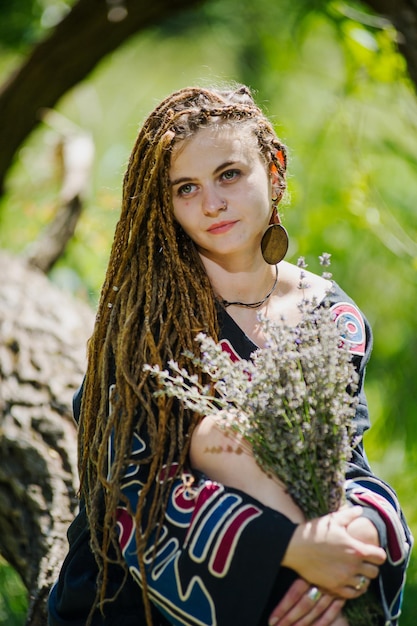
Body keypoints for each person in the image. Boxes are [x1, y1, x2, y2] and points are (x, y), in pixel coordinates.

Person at [47, 84, 412, 626]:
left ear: (274, 166)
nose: (212, 203)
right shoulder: (148, 318)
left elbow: (344, 462)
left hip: (309, 573)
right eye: (186, 188)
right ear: (163, 203)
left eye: (229, 174)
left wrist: (356, 535)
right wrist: (288, 548)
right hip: (136, 598)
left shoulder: (334, 318)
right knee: (220, 436)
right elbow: (130, 486)